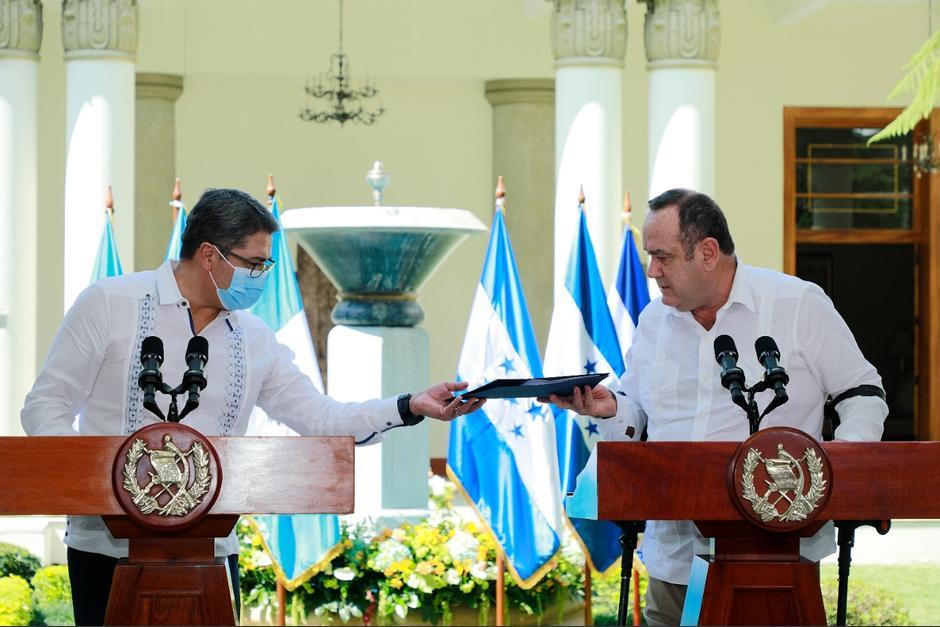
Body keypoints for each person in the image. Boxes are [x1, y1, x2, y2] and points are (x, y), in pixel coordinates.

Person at [20, 188, 485, 626]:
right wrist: (89, 483)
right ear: (209, 255)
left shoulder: (255, 338)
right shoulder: (109, 303)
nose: (262, 276)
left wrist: (411, 405)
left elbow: (322, 419)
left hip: (212, 550)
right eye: (255, 264)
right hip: (104, 548)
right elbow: (48, 404)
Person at [546, 188, 887, 626]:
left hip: (777, 559)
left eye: (662, 257)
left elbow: (860, 391)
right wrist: (609, 406)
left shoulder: (796, 305)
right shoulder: (655, 321)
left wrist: (843, 475)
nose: (652, 271)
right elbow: (643, 416)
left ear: (708, 251)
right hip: (674, 560)